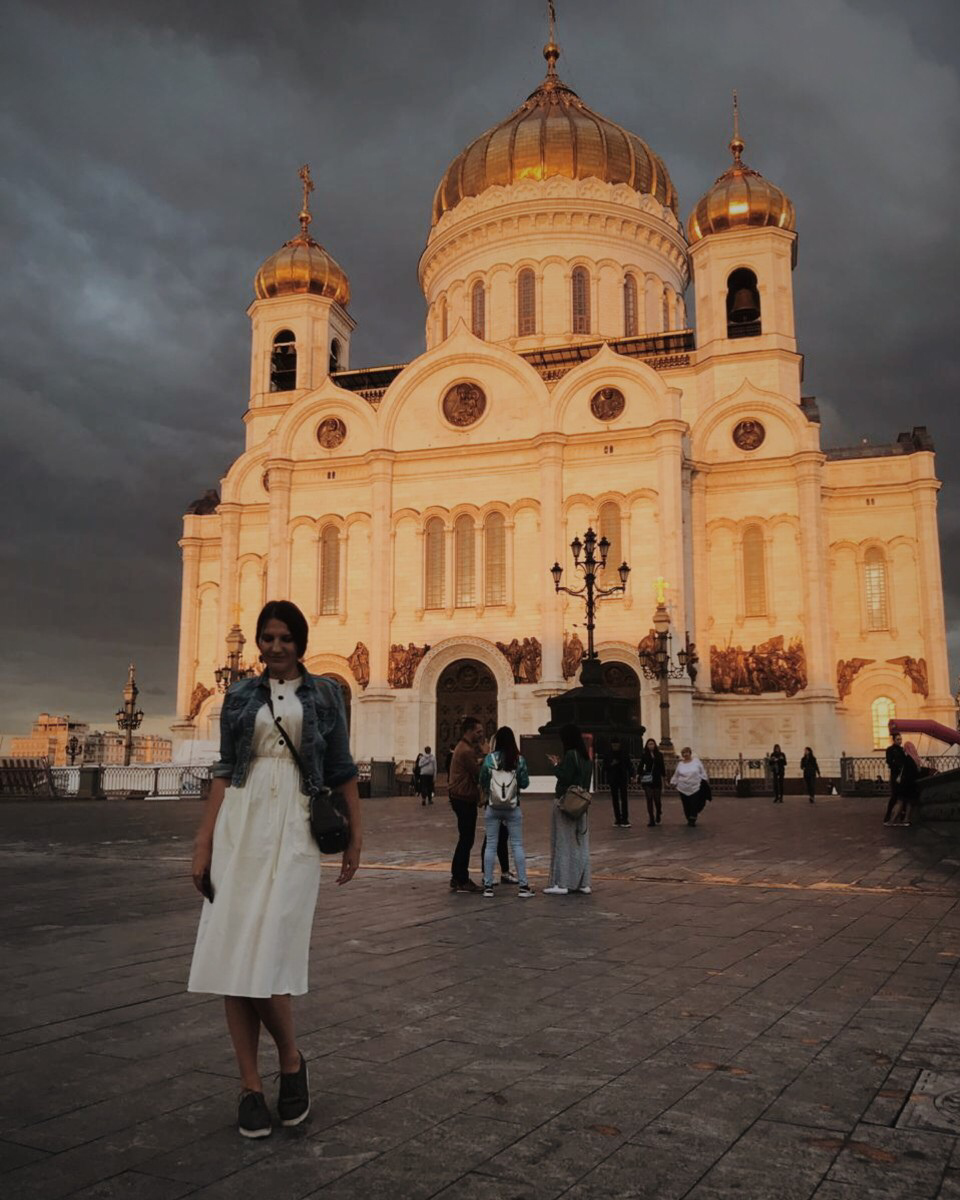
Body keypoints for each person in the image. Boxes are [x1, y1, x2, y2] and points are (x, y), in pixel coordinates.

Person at [188, 600, 361, 1139]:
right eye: (268, 638)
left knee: (269, 950)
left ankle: (290, 1059)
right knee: (233, 954)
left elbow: (341, 768)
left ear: (300, 641)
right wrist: (204, 840)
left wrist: (357, 833)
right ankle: (250, 1086)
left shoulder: (326, 693)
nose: (275, 646)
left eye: (285, 637)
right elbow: (223, 769)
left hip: (296, 820)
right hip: (241, 819)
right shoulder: (238, 694)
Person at [478, 726, 534, 898]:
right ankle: (523, 886)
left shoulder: (489, 759)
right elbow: (524, 783)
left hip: (493, 807)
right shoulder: (519, 760)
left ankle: (488, 885)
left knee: (491, 845)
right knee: (517, 845)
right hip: (512, 807)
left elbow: (483, 781)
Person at [544, 723, 593, 895]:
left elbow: (565, 777)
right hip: (581, 804)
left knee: (563, 841)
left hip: (566, 802)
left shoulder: (571, 755)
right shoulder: (586, 758)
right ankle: (583, 882)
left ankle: (562, 882)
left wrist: (557, 765)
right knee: (581, 842)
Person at [448, 717, 484, 893]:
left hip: (458, 796)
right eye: (478, 731)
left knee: (464, 838)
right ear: (469, 731)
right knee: (466, 839)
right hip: (464, 797)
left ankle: (457, 876)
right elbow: (477, 774)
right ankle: (462, 878)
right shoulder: (466, 751)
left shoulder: (462, 748)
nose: (481, 735)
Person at [670, 746, 709, 826]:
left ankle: (693, 818)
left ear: (690, 753)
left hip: (695, 786)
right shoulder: (680, 764)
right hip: (683, 787)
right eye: (683, 753)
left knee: (694, 803)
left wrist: (705, 779)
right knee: (686, 804)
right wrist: (673, 782)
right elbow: (676, 774)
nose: (685, 754)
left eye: (687, 752)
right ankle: (688, 817)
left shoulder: (696, 761)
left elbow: (702, 771)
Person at [604, 735, 634, 828]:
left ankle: (625, 818)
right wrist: (611, 765)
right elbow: (605, 767)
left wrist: (632, 775)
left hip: (622, 778)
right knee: (615, 799)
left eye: (616, 745)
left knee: (624, 799)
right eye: (614, 745)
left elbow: (629, 765)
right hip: (613, 779)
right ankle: (617, 818)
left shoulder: (624, 753)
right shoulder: (608, 754)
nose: (615, 747)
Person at [890, 740, 922, 827]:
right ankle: (906, 819)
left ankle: (892, 820)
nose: (904, 749)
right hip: (912, 785)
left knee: (900, 802)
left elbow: (905, 774)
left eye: (905, 747)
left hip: (905, 785)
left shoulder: (907, 760)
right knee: (909, 803)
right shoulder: (915, 760)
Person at [639, 737, 665, 827]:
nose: (651, 746)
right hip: (647, 779)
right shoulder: (644, 755)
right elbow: (640, 766)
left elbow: (662, 767)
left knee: (657, 799)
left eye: (652, 744)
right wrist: (639, 775)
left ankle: (658, 812)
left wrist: (664, 778)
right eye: (649, 744)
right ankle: (651, 818)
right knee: (649, 798)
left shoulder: (659, 755)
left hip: (657, 779)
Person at [884, 731, 906, 825]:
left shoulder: (902, 749)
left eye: (900, 739)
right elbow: (889, 762)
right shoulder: (890, 750)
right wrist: (897, 766)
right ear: (893, 740)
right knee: (894, 795)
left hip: (903, 775)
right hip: (895, 775)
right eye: (898, 739)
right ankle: (888, 814)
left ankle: (901, 815)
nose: (900, 741)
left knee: (902, 795)